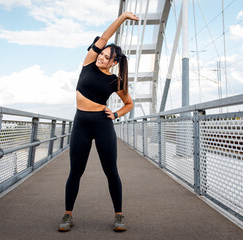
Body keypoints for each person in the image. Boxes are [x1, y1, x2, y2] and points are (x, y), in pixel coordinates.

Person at [58, 12, 139, 232]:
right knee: (75, 171)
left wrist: (116, 114)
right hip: (81, 123)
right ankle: (67, 215)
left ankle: (119, 215)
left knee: (111, 171)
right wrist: (122, 18)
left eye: (106, 56)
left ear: (114, 62)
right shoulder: (88, 63)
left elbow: (129, 104)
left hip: (102, 125)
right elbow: (104, 37)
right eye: (101, 53)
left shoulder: (116, 81)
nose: (101, 57)